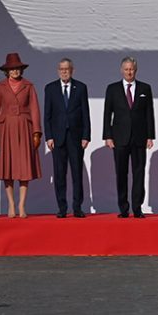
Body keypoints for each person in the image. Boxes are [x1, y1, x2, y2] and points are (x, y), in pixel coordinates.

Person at [0, 52, 42, 219]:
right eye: (12, 69)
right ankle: (11, 204)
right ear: (7, 71)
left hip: (24, 128)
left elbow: (34, 109)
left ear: (21, 69)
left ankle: (22, 205)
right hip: (6, 129)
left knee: (24, 168)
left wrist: (36, 132)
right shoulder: (0, 87)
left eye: (17, 68)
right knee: (8, 168)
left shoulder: (29, 86)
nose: (15, 71)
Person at [103, 57, 155, 218]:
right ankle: (123, 208)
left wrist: (150, 136)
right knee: (121, 173)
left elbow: (149, 114)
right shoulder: (112, 89)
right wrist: (108, 136)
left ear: (136, 70)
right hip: (119, 138)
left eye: (131, 69)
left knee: (139, 173)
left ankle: (137, 208)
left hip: (139, 138)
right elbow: (107, 114)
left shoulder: (145, 88)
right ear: (121, 70)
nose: (129, 72)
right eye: (126, 69)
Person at [43, 58, 91, 218]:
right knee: (59, 174)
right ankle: (62, 208)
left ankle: (77, 207)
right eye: (61, 69)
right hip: (57, 139)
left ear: (72, 70)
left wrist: (86, 136)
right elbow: (47, 116)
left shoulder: (81, 88)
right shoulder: (50, 88)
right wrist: (48, 137)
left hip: (76, 138)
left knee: (77, 174)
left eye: (67, 69)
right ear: (58, 71)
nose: (64, 71)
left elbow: (85, 113)